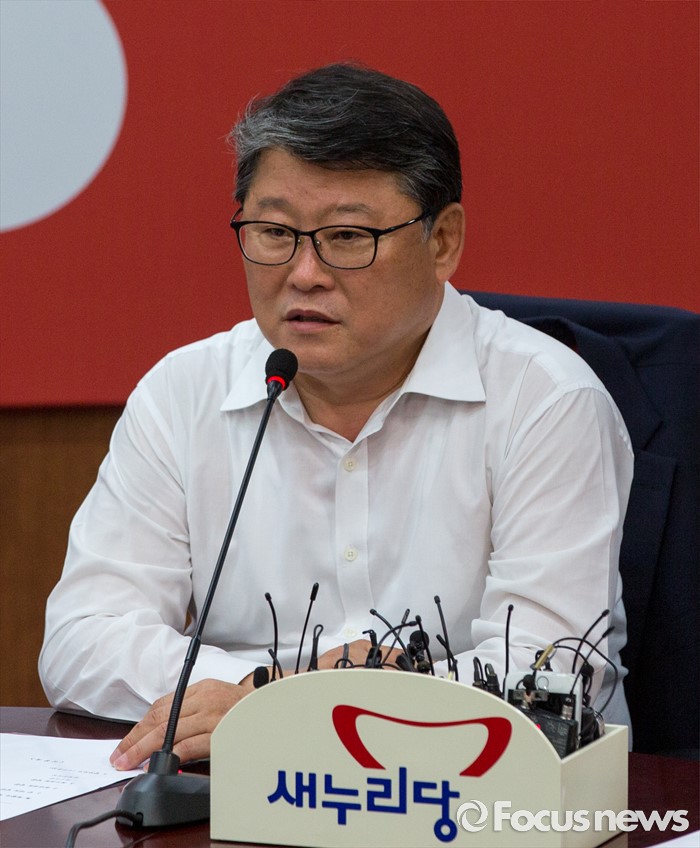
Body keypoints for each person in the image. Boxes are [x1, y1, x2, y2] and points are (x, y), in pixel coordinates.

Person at [39, 63, 634, 772]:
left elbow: (550, 673)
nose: (304, 273)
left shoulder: (545, 400)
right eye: (274, 232)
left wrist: (284, 702)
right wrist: (267, 696)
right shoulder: (184, 393)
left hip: (484, 793)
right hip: (249, 793)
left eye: (348, 237)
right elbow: (81, 639)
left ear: (443, 241)